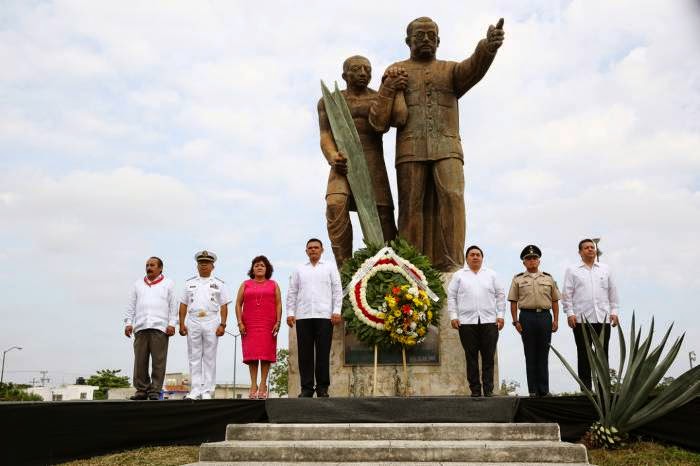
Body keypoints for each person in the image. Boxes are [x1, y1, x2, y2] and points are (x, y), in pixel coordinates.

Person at [370, 16, 505, 272]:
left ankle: (453, 266)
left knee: (453, 197)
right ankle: (409, 267)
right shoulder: (396, 70)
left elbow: (473, 67)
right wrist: (389, 87)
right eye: (420, 35)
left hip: (447, 147)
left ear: (439, 41)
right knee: (411, 207)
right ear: (408, 41)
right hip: (410, 150)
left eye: (431, 35)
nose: (425, 40)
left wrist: (488, 47)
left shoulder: (450, 70)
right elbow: (378, 121)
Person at [318, 55, 397, 267]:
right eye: (357, 69)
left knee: (384, 218)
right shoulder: (329, 100)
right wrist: (333, 157)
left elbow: (384, 124)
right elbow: (325, 134)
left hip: (372, 161)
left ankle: (387, 268)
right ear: (344, 75)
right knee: (335, 205)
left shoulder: (377, 98)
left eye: (367, 69)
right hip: (342, 163)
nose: (363, 73)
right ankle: (345, 269)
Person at [286, 238, 343, 397]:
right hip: (303, 316)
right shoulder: (299, 269)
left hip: (325, 316)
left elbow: (337, 290)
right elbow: (292, 292)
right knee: (304, 354)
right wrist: (290, 312)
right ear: (306, 251)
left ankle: (322, 388)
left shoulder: (330, 267)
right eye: (310, 248)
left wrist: (336, 310)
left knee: (323, 354)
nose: (313, 250)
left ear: (322, 250)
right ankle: (306, 388)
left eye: (316, 247)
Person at [562, 239, 620, 390]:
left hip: (603, 318)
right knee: (584, 354)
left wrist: (614, 312)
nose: (590, 250)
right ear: (580, 252)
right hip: (581, 319)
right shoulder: (572, 270)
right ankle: (586, 388)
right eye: (586, 248)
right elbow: (567, 294)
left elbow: (612, 292)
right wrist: (569, 313)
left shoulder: (605, 269)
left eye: (592, 247)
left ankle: (603, 389)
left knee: (603, 354)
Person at [447, 245, 505, 397]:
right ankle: (475, 390)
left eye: (478, 254)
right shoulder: (459, 275)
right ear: (466, 258)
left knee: (488, 357)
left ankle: (488, 389)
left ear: (482, 258)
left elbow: (500, 296)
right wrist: (454, 316)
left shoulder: (491, 275)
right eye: (471, 254)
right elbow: (451, 297)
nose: (475, 257)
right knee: (471, 357)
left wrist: (501, 315)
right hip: (466, 322)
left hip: (489, 322)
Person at [508, 245, 561, 397]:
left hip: (545, 316)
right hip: (526, 317)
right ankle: (532, 390)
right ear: (524, 262)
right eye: (528, 259)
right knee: (530, 353)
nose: (532, 261)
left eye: (534, 258)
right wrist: (515, 321)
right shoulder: (518, 279)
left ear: (539, 261)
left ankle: (544, 390)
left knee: (543, 354)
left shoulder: (548, 278)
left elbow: (555, 300)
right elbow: (513, 301)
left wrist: (556, 320)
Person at [178, 250, 231, 400]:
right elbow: (183, 304)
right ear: (197, 265)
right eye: (201, 263)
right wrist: (181, 324)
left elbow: (224, 306)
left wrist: (223, 324)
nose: (203, 266)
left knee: (209, 357)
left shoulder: (219, 284)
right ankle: (195, 390)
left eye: (206, 263)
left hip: (211, 320)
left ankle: (207, 390)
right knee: (194, 356)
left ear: (212, 266)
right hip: (193, 320)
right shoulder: (189, 283)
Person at [124, 256, 177, 400]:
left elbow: (173, 307)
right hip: (141, 327)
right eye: (147, 265)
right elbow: (131, 306)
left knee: (158, 362)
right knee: (140, 361)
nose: (149, 267)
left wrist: (172, 324)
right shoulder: (137, 284)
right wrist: (128, 323)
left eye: (152, 265)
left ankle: (154, 391)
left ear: (160, 268)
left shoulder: (168, 284)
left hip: (160, 328)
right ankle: (141, 390)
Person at [234, 255, 282, 399]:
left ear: (267, 268)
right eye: (256, 265)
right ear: (252, 269)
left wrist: (278, 322)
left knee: (266, 355)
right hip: (249, 323)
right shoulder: (245, 284)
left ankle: (263, 385)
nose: (259, 267)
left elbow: (279, 304)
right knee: (253, 356)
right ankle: (253, 384)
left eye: (262, 265)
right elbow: (238, 304)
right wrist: (240, 322)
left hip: (268, 323)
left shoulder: (274, 284)